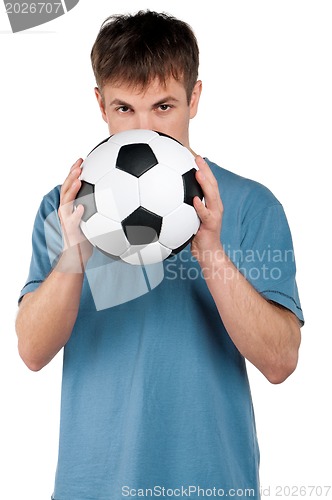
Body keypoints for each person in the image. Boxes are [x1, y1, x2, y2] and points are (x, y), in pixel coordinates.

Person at [16, 10, 304, 500]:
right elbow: (32, 352)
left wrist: (210, 250)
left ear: (194, 99)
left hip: (212, 484)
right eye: (125, 108)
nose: (143, 128)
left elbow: (281, 362)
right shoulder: (64, 206)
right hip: (93, 487)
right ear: (100, 104)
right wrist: (73, 255)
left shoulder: (253, 204)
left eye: (164, 106)